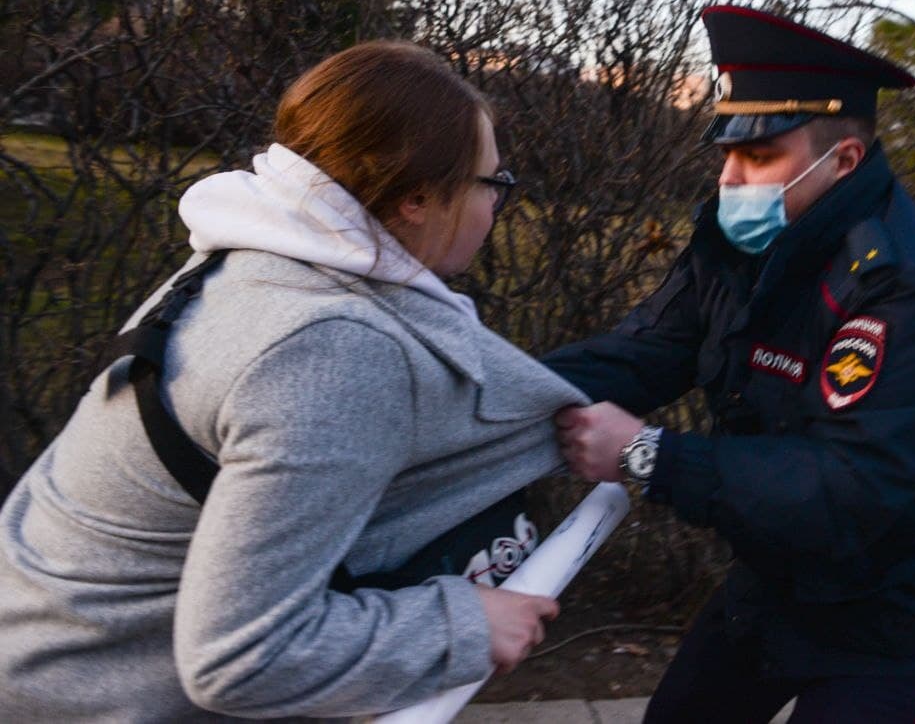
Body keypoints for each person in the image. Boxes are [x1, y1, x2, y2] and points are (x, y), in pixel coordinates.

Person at [0, 41, 581, 720]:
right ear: (419, 198)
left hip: (36, 640)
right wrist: (462, 625)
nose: (495, 207)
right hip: (80, 692)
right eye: (494, 183)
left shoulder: (250, 264)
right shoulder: (333, 351)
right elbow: (244, 658)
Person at [548, 5, 915, 723]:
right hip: (783, 574)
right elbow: (647, 351)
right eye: (727, 153)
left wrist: (646, 455)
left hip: (898, 606)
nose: (731, 177)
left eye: (759, 157)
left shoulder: (907, 288)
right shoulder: (738, 241)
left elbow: (848, 487)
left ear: (844, 160)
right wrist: (493, 385)